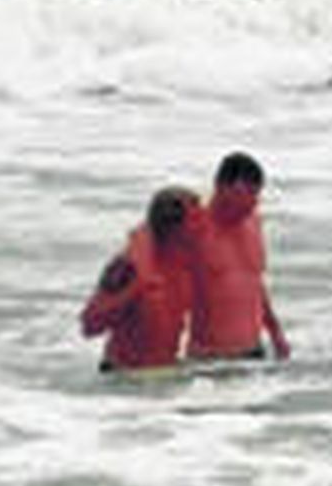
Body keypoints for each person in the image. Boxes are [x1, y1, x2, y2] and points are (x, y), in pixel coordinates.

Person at [81, 187, 204, 372]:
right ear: (174, 229)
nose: (203, 229)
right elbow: (89, 326)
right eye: (196, 222)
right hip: (124, 378)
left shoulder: (186, 265)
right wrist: (133, 291)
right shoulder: (128, 267)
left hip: (165, 373)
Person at [187, 152, 291, 361]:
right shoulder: (193, 230)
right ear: (221, 188)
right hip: (209, 362)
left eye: (257, 194)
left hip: (255, 354)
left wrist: (276, 333)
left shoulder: (253, 224)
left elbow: (254, 283)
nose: (254, 202)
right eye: (247, 194)